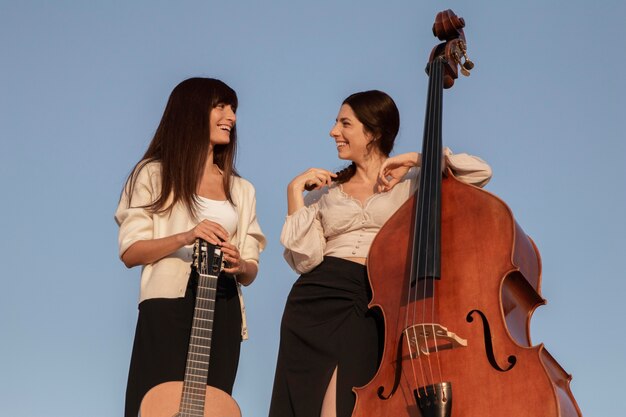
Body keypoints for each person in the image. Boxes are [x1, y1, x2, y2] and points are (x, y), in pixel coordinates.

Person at [268, 90, 491, 417]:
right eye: (336, 123)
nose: (334, 132)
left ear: (372, 132)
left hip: (374, 298)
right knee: (305, 405)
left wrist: (419, 158)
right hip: (315, 300)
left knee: (345, 405)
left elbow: (480, 173)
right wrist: (294, 193)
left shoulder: (413, 181)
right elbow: (306, 260)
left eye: (345, 124)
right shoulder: (327, 191)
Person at [115, 77, 266, 417]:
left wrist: (240, 264)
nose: (231, 116)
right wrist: (186, 236)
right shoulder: (153, 174)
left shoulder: (242, 189)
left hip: (224, 307)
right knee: (155, 405)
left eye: (233, 109)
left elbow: (251, 267)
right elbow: (130, 251)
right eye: (221, 106)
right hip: (168, 307)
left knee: (211, 408)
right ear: (191, 112)